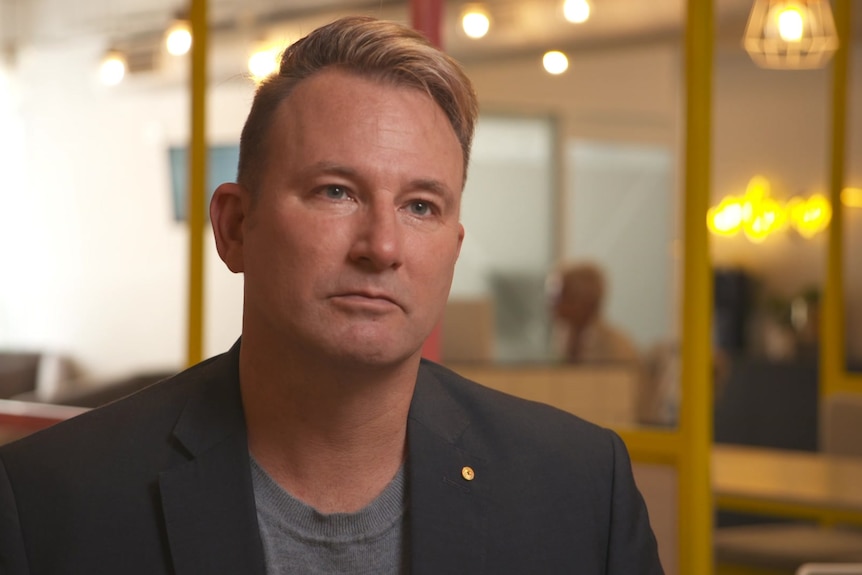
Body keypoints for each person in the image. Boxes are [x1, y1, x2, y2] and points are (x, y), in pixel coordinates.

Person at [0, 16, 663, 574]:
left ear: (453, 250)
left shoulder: (578, 487)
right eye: (336, 191)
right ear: (234, 227)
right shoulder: (50, 500)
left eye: (421, 206)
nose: (382, 245)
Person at [551, 262, 641, 364]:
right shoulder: (561, 340)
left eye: (560, 297)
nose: (553, 305)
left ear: (584, 300)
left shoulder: (617, 348)